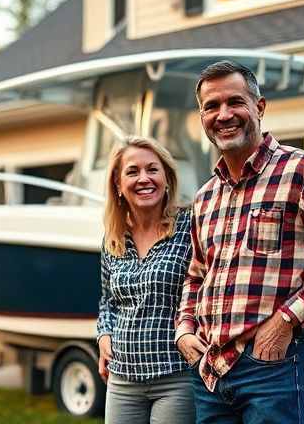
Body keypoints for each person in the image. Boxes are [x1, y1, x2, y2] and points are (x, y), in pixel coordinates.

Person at [175, 60, 304, 424]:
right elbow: (196, 275)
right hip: (209, 370)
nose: (223, 115)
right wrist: (184, 331)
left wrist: (285, 321)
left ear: (259, 107)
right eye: (211, 106)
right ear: (201, 117)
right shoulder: (205, 197)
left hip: (271, 366)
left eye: (235, 102)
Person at [97, 135, 195, 424]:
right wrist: (103, 333)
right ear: (117, 184)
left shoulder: (190, 226)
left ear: (166, 177)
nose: (144, 178)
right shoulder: (113, 239)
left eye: (153, 169)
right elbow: (107, 301)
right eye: (132, 171)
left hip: (175, 375)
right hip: (122, 379)